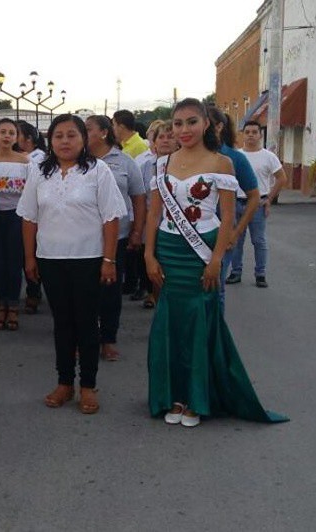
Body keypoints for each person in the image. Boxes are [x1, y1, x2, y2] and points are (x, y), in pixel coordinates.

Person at [145, 98, 286, 427]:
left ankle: (197, 397)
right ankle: (174, 395)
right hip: (168, 248)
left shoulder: (222, 163)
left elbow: (226, 218)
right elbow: (153, 214)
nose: (184, 130)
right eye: (178, 124)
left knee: (200, 321)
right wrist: (149, 255)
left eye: (192, 122)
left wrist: (218, 259)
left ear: (206, 124)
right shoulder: (161, 163)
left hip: (203, 252)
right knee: (171, 322)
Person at [18, 114, 126, 414]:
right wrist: (29, 258)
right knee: (62, 324)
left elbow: (111, 217)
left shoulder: (97, 170)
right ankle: (64, 382)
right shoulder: (40, 171)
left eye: (72, 135)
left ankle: (88, 386)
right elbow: (29, 217)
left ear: (84, 139)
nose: (65, 141)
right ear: (50, 140)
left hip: (89, 259)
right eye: (58, 136)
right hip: (50, 259)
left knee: (87, 324)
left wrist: (109, 259)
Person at [85, 115, 146, 361]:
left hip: (117, 237)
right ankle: (86, 338)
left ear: (103, 132)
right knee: (85, 292)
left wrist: (137, 231)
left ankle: (108, 338)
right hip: (84, 239)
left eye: (87, 129)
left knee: (110, 291)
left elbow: (138, 197)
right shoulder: (79, 161)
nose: (83, 132)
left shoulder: (125, 161)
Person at [204, 107, 260, 310]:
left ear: (219, 126)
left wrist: (236, 232)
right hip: (192, 233)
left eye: (205, 123)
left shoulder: (234, 159)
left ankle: (215, 336)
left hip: (221, 235)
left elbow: (254, 197)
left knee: (215, 287)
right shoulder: (189, 156)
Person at [0, 118, 32, 331]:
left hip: (16, 216)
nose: (6, 136)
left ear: (16, 137)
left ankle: (13, 305)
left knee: (14, 261)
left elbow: (31, 194)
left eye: (11, 133)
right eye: (2, 132)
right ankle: (0, 306)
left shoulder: (26, 162)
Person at [227, 120, 288, 288]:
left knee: (259, 241)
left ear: (261, 135)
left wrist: (269, 199)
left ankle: (260, 274)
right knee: (236, 240)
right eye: (247, 132)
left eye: (255, 132)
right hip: (236, 202)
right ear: (243, 134)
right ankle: (235, 272)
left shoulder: (268, 157)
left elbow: (282, 178)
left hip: (257, 204)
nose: (251, 135)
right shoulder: (236, 156)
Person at [137, 120, 178, 308]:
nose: (165, 141)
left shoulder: (184, 165)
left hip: (177, 224)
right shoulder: (146, 166)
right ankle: (155, 295)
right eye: (161, 137)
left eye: (170, 137)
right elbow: (141, 196)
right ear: (154, 142)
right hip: (152, 221)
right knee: (153, 262)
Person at [15, 120, 46, 313]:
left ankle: (34, 292)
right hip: (19, 210)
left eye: (16, 133)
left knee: (33, 253)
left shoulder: (37, 158)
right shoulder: (21, 157)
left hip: (35, 213)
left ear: (28, 138)